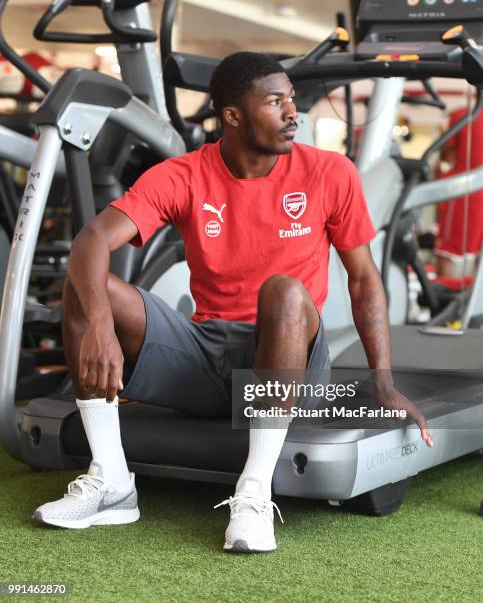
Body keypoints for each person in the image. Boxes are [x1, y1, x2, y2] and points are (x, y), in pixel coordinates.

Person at [33, 52, 433, 552]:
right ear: (233, 116)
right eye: (275, 101)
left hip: (290, 367)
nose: (293, 113)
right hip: (205, 357)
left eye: (292, 99)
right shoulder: (182, 174)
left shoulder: (331, 172)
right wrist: (96, 325)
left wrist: (383, 381)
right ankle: (112, 482)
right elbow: (91, 241)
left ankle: (254, 493)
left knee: (284, 290)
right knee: (85, 279)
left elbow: (364, 281)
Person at [435, 106, 483, 277]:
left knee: (446, 249)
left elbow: (446, 155)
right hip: (472, 189)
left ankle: (440, 301)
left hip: (463, 191)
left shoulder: (462, 114)